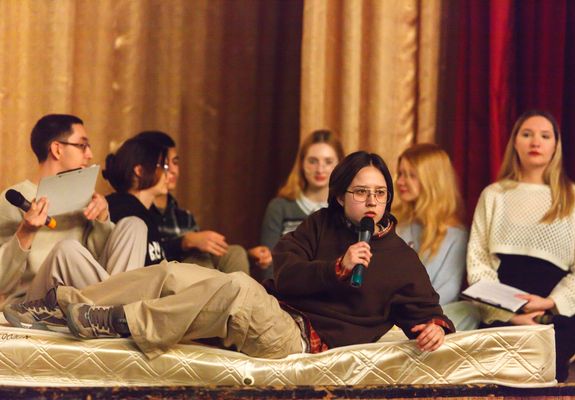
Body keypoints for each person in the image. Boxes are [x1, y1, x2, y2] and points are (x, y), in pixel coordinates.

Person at [9, 151, 454, 360]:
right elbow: (286, 271)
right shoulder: (321, 223)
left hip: (302, 342)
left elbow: (428, 313)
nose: (372, 201)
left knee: (238, 288)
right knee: (171, 273)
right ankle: (66, 306)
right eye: (361, 192)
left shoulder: (400, 259)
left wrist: (435, 327)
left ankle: (120, 321)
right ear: (340, 197)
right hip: (278, 311)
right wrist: (335, 269)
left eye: (380, 193)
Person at [466, 110, 575, 382]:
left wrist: (550, 303)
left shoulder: (574, 198)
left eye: (545, 136)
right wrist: (509, 316)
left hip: (553, 318)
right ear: (515, 142)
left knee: (543, 380)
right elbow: (478, 262)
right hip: (502, 318)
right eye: (527, 134)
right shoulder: (494, 195)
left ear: (555, 145)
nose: (535, 142)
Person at [0, 114, 146, 311]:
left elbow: (99, 264)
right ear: (57, 149)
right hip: (33, 299)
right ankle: (120, 310)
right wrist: (26, 232)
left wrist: (102, 219)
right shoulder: (14, 198)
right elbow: (2, 282)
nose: (90, 154)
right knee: (66, 250)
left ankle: (114, 312)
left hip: (84, 295)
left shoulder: (82, 196)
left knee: (134, 225)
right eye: (82, 146)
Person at [134, 131, 249, 274]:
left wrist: (249, 257)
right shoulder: (136, 211)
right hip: (164, 277)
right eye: (164, 164)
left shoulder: (184, 217)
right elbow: (149, 256)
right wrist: (184, 242)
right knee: (199, 262)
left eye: (175, 162)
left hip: (196, 271)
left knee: (236, 252)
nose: (172, 171)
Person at [394, 144, 478, 330]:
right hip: (389, 314)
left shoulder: (456, 235)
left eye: (411, 175)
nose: (400, 181)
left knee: (469, 311)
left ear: (431, 180)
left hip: (430, 317)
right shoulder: (394, 224)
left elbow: (447, 291)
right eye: (400, 174)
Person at [248, 129, 344, 280]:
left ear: (340, 165)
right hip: (284, 291)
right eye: (312, 161)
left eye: (328, 162)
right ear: (301, 163)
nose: (320, 169)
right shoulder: (279, 207)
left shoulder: (346, 209)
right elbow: (270, 266)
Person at [103, 137, 170, 266]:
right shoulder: (119, 210)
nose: (168, 174)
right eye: (163, 166)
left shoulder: (148, 214)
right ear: (140, 171)